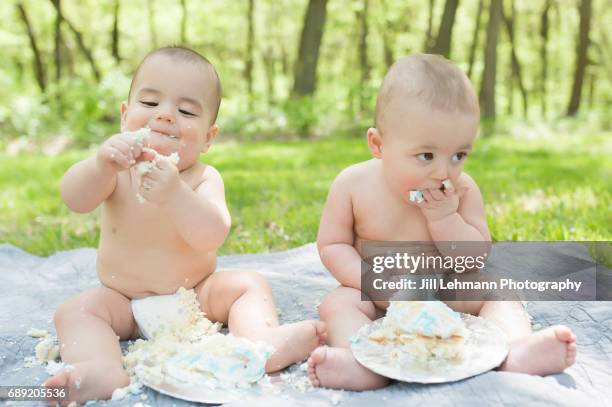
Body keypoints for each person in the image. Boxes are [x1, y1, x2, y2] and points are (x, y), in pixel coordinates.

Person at [46, 46, 325, 404]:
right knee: (75, 311)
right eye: (150, 103)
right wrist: (99, 165)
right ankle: (99, 368)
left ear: (209, 137)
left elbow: (211, 234)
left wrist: (175, 194)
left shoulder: (203, 178)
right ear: (124, 115)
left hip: (195, 297)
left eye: (187, 110)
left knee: (248, 284)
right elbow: (74, 199)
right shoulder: (115, 171)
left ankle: (260, 341)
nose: (164, 116)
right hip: (123, 300)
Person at [307, 54, 577, 390]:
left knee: (498, 290)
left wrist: (445, 218)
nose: (443, 172)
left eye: (459, 155)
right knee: (337, 303)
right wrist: (368, 281)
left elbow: (474, 258)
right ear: (378, 144)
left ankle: (514, 351)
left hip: (448, 289)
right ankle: (360, 360)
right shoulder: (353, 184)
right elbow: (332, 244)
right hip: (378, 297)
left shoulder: (463, 190)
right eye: (426, 156)